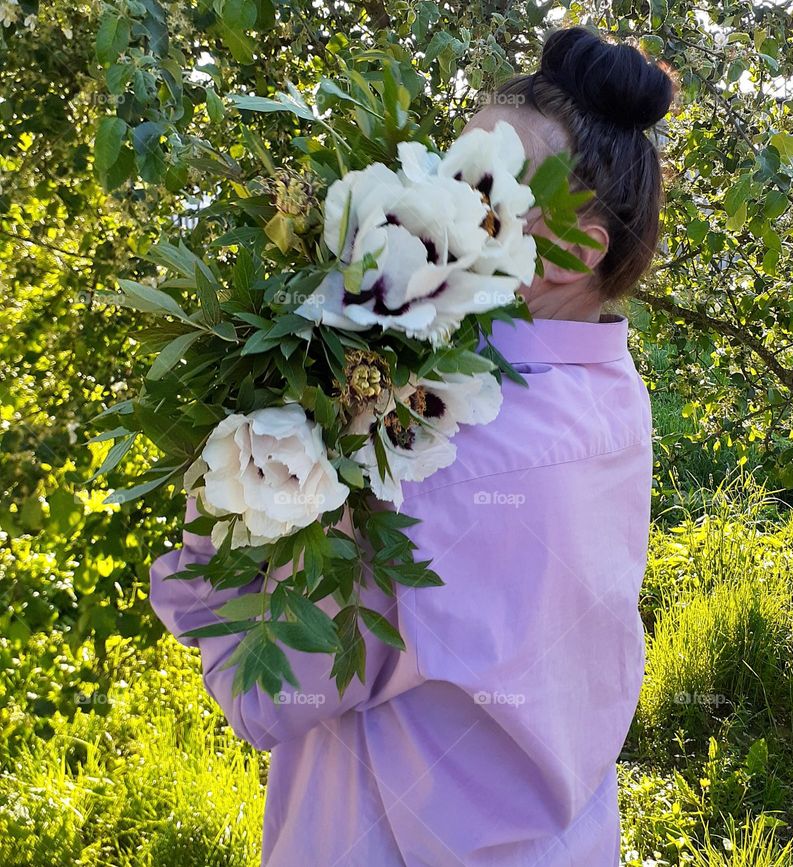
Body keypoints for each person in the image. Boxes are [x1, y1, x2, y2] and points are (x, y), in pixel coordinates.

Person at [149, 25, 676, 867]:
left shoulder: (434, 448)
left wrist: (227, 501)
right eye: (441, 169)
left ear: (575, 250)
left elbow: (268, 687)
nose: (433, 202)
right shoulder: (611, 387)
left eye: (479, 191)